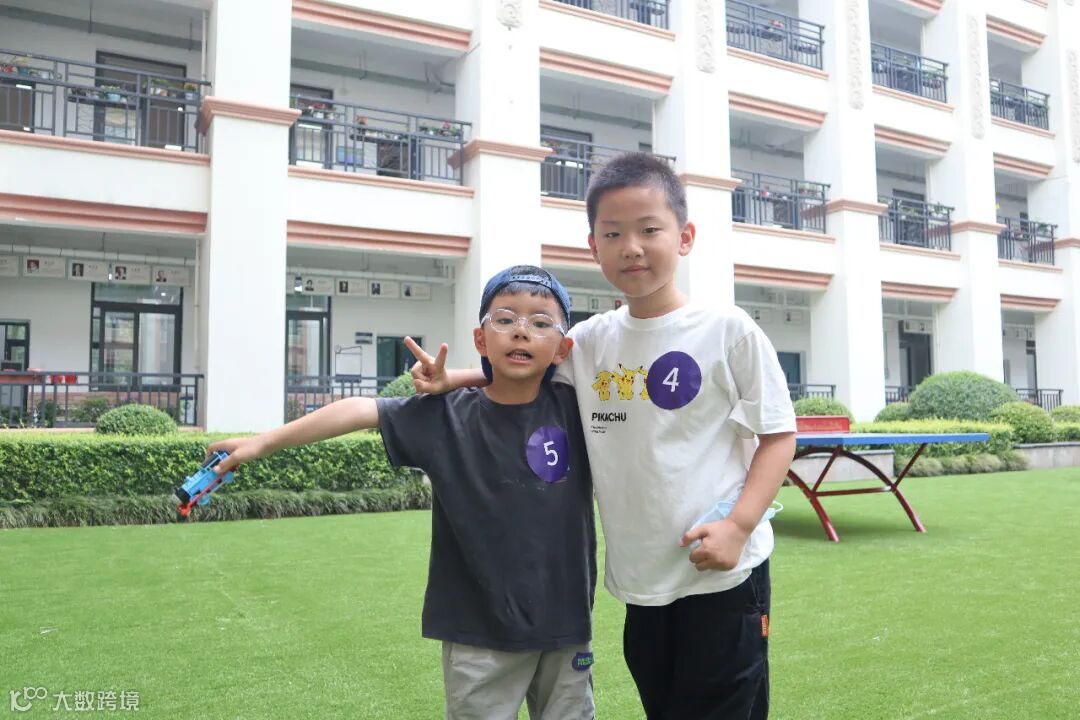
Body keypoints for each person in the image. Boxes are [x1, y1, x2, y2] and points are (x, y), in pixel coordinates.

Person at [412, 153, 797, 719]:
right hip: (642, 582)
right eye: (613, 234)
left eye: (649, 230)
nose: (631, 248)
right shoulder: (590, 341)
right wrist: (456, 379)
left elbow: (778, 435)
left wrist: (739, 526)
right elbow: (526, 368)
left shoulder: (727, 330)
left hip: (723, 574)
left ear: (685, 237)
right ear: (593, 247)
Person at [206, 265, 597, 720]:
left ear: (562, 348)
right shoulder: (443, 418)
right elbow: (359, 410)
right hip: (477, 634)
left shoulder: (576, 408)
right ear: (480, 338)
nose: (521, 332)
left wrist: (461, 375)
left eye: (541, 322)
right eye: (505, 319)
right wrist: (261, 443)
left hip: (566, 628)